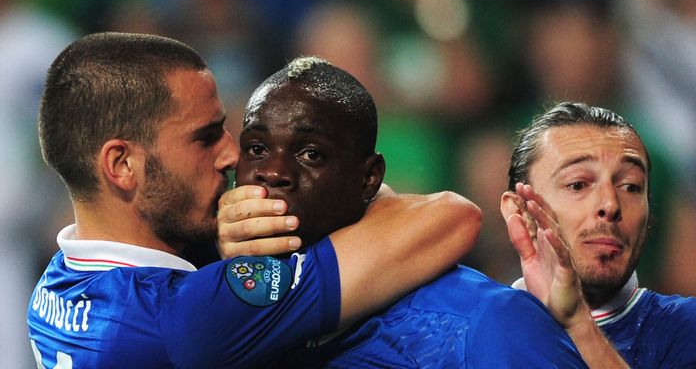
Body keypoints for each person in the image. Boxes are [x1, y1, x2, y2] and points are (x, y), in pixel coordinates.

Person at [27, 32, 482, 368]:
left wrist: (221, 242)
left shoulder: (52, 287)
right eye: (205, 138)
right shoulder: (187, 319)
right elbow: (450, 218)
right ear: (122, 164)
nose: (230, 154)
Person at [222, 56, 589, 367]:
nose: (273, 172)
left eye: (311, 154)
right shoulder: (216, 299)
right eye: (256, 148)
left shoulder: (486, 321)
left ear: (369, 178)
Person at [501, 101, 696, 367]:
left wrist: (578, 323)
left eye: (631, 187)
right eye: (578, 185)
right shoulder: (471, 326)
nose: (610, 204)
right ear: (520, 211)